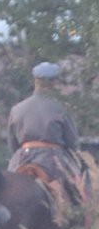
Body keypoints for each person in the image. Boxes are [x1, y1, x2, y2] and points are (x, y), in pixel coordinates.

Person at [7, 61, 87, 206]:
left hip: (22, 158)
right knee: (78, 191)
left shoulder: (17, 109)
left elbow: (12, 144)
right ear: (53, 83)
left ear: (35, 81)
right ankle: (77, 219)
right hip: (52, 160)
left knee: (6, 187)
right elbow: (73, 142)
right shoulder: (60, 108)